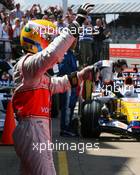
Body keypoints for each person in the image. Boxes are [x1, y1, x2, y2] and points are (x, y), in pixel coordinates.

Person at [12, 3, 95, 174]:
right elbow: (53, 53)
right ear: (36, 39)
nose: (51, 42)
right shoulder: (28, 65)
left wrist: (80, 76)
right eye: (49, 39)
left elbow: (58, 84)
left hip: (35, 130)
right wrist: (77, 22)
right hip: (32, 131)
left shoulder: (34, 72)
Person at [58, 39, 78, 137]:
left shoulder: (71, 54)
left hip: (72, 84)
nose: (75, 44)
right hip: (67, 85)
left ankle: (68, 127)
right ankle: (65, 129)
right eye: (74, 42)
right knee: (66, 108)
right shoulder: (66, 54)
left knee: (71, 106)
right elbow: (63, 70)